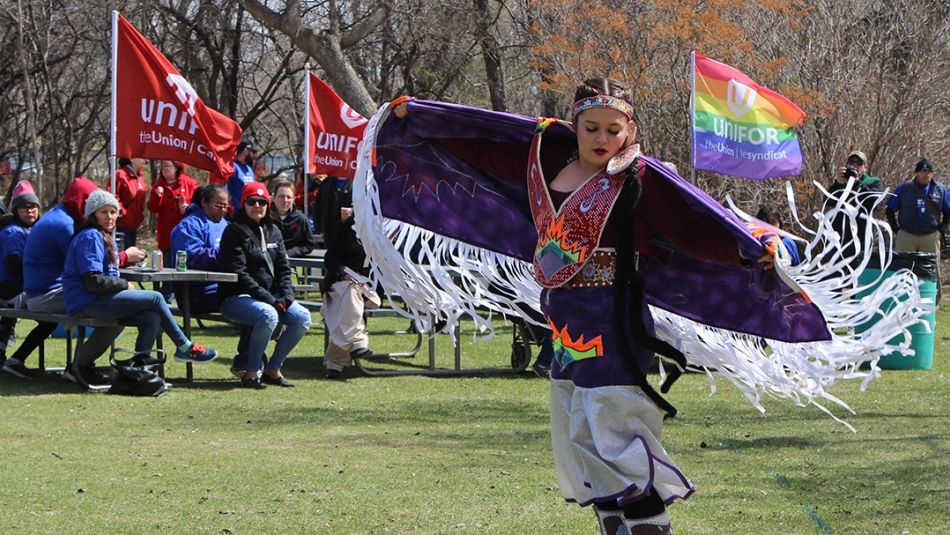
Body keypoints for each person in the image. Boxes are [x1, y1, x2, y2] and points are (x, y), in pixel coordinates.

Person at [62, 190, 218, 387]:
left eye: (113, 212)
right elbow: (93, 281)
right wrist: (124, 284)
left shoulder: (103, 235)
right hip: (87, 301)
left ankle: (137, 371)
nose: (110, 217)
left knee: (151, 318)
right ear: (93, 214)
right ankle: (184, 346)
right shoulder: (90, 236)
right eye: (104, 212)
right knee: (155, 298)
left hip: (99, 299)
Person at [22, 177, 147, 378]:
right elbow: (86, 264)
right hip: (47, 295)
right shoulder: (64, 225)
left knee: (120, 307)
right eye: (92, 201)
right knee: (118, 308)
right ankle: (81, 365)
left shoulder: (59, 215)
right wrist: (124, 257)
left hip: (44, 290)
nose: (94, 205)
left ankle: (82, 364)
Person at [217, 182, 312, 389]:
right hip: (237, 297)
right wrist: (270, 299)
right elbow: (239, 273)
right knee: (268, 314)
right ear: (244, 203)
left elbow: (284, 269)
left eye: (262, 202)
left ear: (268, 204)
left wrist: (287, 297)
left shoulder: (274, 230)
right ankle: (251, 372)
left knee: (302, 317)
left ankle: (273, 369)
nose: (257, 206)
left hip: (273, 297)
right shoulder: (233, 232)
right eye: (252, 201)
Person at [0, 181, 56, 377]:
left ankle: (11, 359)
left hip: (21, 287)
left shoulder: (32, 230)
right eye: (24, 207)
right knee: (51, 314)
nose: (30, 211)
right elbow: (13, 261)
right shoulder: (12, 231)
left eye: (33, 207)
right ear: (16, 211)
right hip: (10, 290)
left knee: (50, 317)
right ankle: (16, 360)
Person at [320, 213, 378, 380]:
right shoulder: (347, 226)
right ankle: (357, 343)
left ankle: (336, 361)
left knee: (347, 301)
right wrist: (343, 275)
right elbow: (331, 259)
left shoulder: (387, 227)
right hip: (341, 283)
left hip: (370, 289)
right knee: (350, 293)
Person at [885, 158, 949, 301]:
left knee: (932, 268)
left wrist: (941, 230)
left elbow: (948, 211)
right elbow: (890, 210)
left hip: (930, 235)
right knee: (902, 268)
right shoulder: (904, 188)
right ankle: (899, 298)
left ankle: (933, 299)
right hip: (907, 234)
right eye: (922, 171)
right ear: (916, 173)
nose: (925, 174)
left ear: (932, 174)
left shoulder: (940, 189)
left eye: (928, 172)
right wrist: (897, 230)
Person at [147, 160, 198, 300]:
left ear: (177, 167)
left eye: (168, 166)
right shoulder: (158, 185)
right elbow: (151, 208)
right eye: (162, 166)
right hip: (166, 234)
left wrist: (184, 208)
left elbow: (196, 209)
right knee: (168, 266)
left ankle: (183, 296)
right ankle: (165, 297)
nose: (165, 169)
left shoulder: (189, 184)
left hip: (184, 234)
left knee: (182, 266)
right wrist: (158, 196)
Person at [827, 150, 884, 262]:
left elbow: (873, 201)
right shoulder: (843, 183)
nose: (854, 166)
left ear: (865, 167)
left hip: (863, 235)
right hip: (841, 235)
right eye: (851, 162)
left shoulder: (873, 182)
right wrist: (838, 183)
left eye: (858, 163)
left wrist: (857, 182)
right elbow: (828, 201)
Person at [270, 178, 315, 258]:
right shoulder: (265, 217)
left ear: (294, 199)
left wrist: (289, 253)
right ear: (273, 198)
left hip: (291, 264)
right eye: (281, 196)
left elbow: (309, 245)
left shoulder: (301, 219)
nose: (285, 200)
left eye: (289, 197)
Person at [109, 157, 148, 247]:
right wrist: (122, 213)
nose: (145, 160)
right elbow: (112, 196)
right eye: (141, 157)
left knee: (131, 256)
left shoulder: (141, 178)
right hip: (121, 225)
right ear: (132, 159)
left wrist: (140, 217)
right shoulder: (120, 174)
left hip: (134, 226)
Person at [318, 175, 352, 243]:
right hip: (330, 232)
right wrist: (320, 228)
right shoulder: (326, 183)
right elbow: (318, 206)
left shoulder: (359, 181)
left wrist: (353, 211)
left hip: (351, 233)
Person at [226, 140, 257, 211]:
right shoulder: (232, 167)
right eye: (253, 152)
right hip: (234, 214)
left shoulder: (249, 169)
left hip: (248, 212)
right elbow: (223, 191)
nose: (255, 156)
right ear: (245, 151)